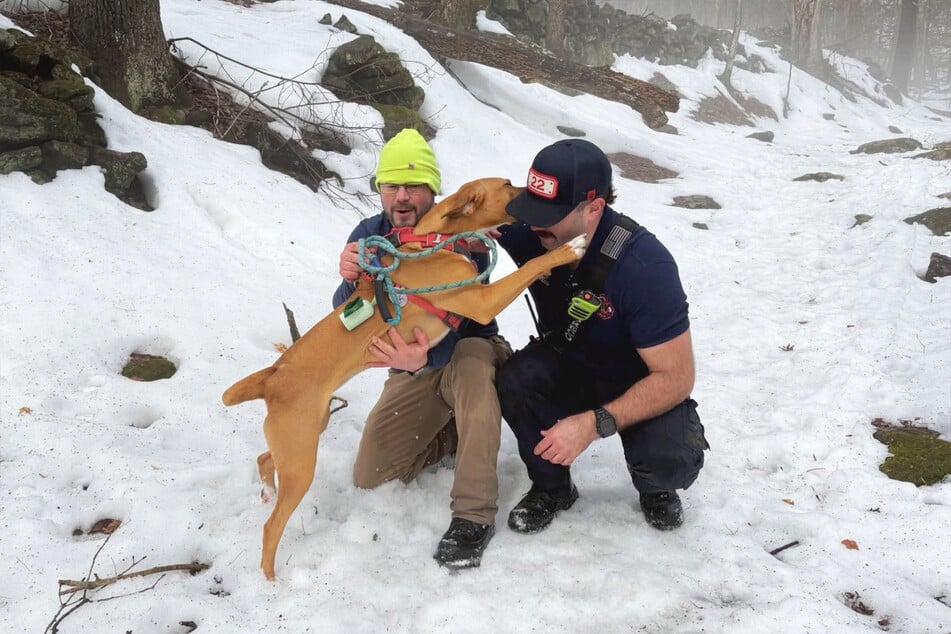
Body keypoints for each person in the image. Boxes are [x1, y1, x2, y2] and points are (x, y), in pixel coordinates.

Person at [495, 138, 708, 535]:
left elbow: (677, 377)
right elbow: (453, 219)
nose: (533, 223)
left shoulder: (646, 266)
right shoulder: (536, 231)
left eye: (550, 214)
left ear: (594, 209)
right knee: (516, 379)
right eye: (532, 209)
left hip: (641, 381)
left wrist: (594, 424)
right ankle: (552, 486)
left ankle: (655, 488)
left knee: (668, 461)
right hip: (571, 365)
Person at [333, 129, 512, 568]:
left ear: (433, 191)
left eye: (413, 186)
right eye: (391, 185)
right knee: (371, 477)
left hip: (469, 350)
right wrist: (348, 280)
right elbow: (349, 317)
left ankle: (473, 515)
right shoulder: (371, 234)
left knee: (469, 364)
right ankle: (453, 434)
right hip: (412, 369)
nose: (402, 198)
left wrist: (424, 359)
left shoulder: (461, 235)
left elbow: (470, 315)